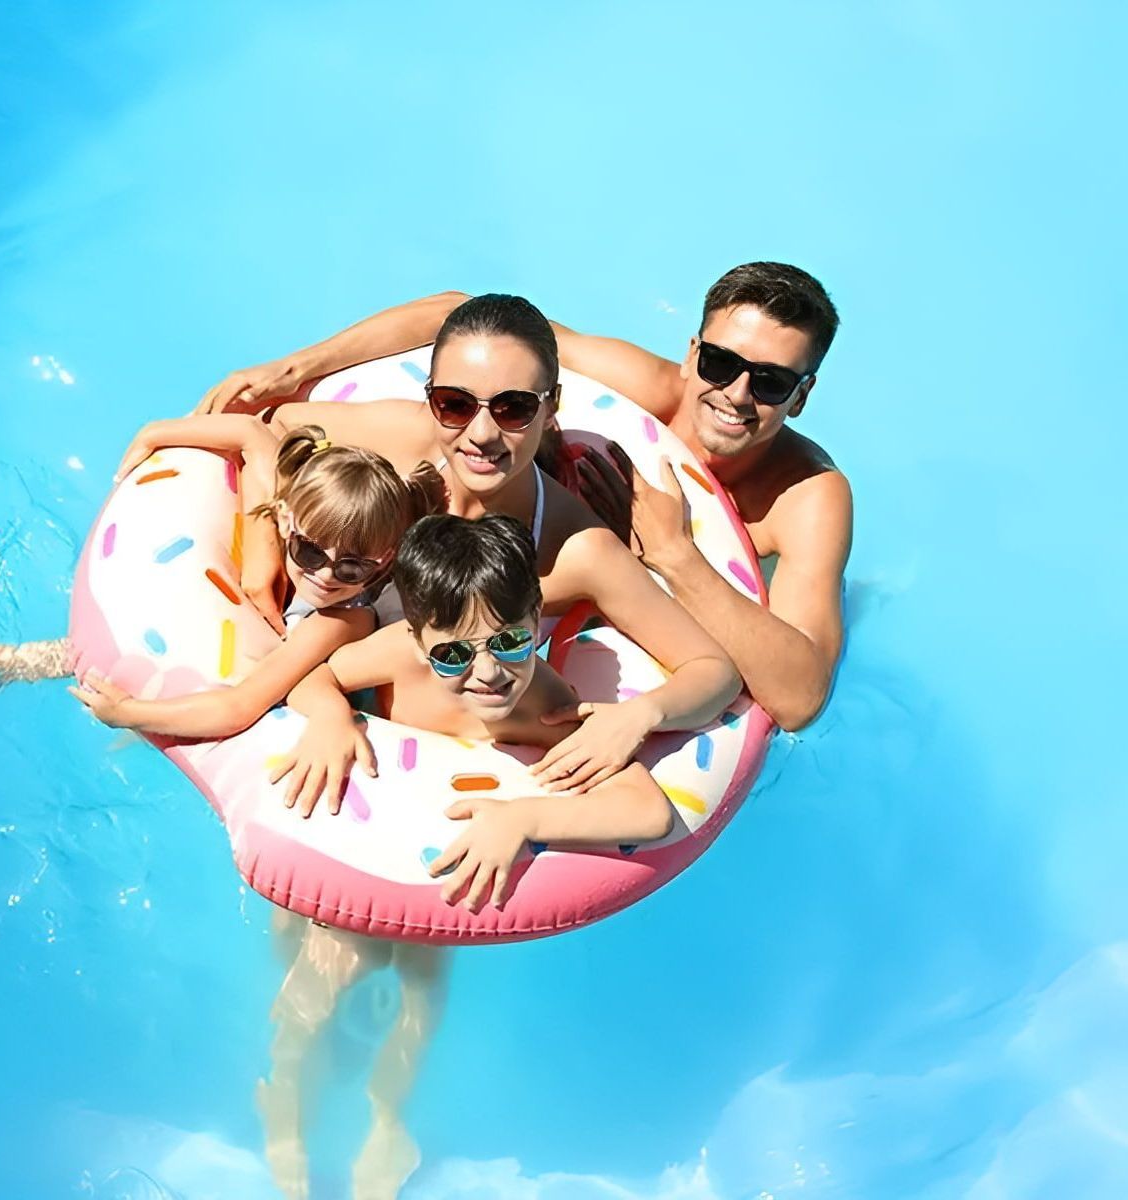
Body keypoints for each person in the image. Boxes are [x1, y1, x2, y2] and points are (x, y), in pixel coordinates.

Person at [119, 294, 742, 808]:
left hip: (424, 747)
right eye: (455, 404)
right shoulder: (401, 441)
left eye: (515, 408)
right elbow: (272, 434)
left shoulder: (574, 547)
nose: (480, 433)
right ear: (431, 399)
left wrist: (640, 715)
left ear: (552, 405)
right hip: (319, 682)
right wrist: (261, 570)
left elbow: (714, 673)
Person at [178, 264, 851, 731]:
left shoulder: (805, 496)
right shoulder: (630, 391)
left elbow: (796, 699)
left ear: (802, 392)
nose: (734, 394)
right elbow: (463, 319)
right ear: (692, 352)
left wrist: (673, 553)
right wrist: (296, 370)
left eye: (767, 381)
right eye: (720, 364)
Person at [261, 513, 680, 1200]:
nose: (487, 673)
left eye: (512, 642)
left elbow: (649, 812)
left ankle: (387, 1120)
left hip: (432, 867)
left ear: (535, 620)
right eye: (453, 654)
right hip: (360, 846)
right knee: (322, 969)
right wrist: (333, 718)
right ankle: (285, 1112)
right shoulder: (397, 655)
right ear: (419, 637)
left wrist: (525, 819)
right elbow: (311, 677)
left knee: (423, 985)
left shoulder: (544, 703)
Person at [0, 418, 443, 804]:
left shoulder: (344, 620)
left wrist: (128, 714)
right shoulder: (278, 514)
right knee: (136, 635)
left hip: (297, 685)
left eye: (354, 567)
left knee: (148, 681)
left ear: (386, 561)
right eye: (311, 552)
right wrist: (152, 435)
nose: (326, 574)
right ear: (288, 517)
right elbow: (252, 435)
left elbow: (241, 707)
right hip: (225, 626)